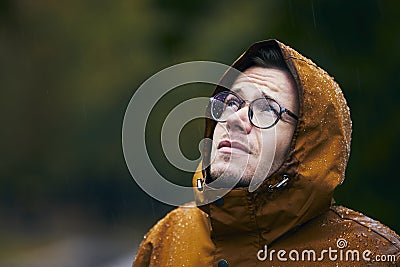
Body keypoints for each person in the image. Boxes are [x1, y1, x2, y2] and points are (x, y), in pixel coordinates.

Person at [132, 39, 400, 266]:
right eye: (231, 102)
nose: (235, 118)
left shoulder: (370, 255)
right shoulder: (167, 238)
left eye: (267, 109)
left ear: (305, 143)